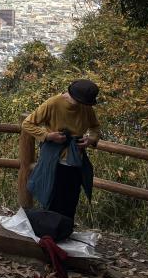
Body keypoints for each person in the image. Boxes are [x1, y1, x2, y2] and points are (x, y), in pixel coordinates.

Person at [22, 79, 102, 225]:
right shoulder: (53, 103)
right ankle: (49, 232)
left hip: (76, 159)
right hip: (55, 158)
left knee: (71, 197)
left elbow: (95, 127)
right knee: (52, 195)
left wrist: (91, 139)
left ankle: (64, 230)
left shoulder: (85, 106)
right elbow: (27, 123)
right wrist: (48, 136)